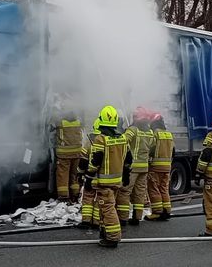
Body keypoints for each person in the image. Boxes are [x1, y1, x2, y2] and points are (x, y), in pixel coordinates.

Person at [84, 105, 132, 248]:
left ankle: (112, 237)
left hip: (104, 183)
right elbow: (129, 160)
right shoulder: (123, 138)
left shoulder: (100, 139)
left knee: (108, 209)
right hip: (117, 181)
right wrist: (126, 175)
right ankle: (104, 232)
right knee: (106, 208)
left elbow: (95, 161)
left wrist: (88, 177)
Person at [123, 107, 156, 225]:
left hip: (132, 167)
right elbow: (152, 146)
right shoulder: (150, 132)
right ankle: (137, 217)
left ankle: (123, 217)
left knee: (125, 191)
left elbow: (123, 142)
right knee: (140, 193)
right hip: (144, 167)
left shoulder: (132, 129)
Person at [51, 100, 86, 203]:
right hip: (76, 153)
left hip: (64, 154)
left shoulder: (60, 122)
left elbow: (51, 123)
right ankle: (75, 195)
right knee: (73, 175)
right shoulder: (78, 122)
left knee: (63, 175)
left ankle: (63, 197)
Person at [145, 113, 175, 221]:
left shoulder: (155, 133)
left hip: (155, 167)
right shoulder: (169, 134)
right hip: (167, 167)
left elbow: (151, 149)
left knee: (153, 189)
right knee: (164, 189)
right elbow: (173, 151)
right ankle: (167, 210)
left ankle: (157, 212)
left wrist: (148, 160)